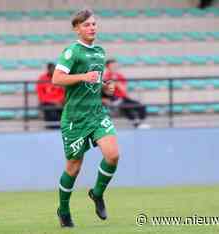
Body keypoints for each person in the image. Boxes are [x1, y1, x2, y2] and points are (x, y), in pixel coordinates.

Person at [52, 9, 119, 228]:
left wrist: (105, 88)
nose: (92, 28)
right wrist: (83, 76)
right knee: (74, 167)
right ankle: (63, 210)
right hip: (75, 119)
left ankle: (97, 193)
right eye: (87, 25)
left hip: (97, 113)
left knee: (113, 155)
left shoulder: (99, 52)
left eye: (93, 24)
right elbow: (56, 78)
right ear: (77, 29)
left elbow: (94, 83)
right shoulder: (72, 51)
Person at [103, 59, 149, 128]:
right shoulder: (106, 77)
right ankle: (136, 124)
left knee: (141, 106)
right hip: (114, 99)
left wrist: (117, 83)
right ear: (108, 66)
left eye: (115, 65)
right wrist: (112, 84)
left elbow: (124, 89)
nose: (115, 66)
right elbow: (107, 91)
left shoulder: (120, 76)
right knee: (125, 106)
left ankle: (140, 123)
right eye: (112, 65)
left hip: (123, 97)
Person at [36, 62, 65, 129]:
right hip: (48, 102)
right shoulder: (42, 78)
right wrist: (53, 102)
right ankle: (50, 128)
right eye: (52, 69)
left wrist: (60, 101)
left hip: (60, 102)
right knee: (50, 110)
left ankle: (62, 128)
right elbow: (41, 95)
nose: (53, 71)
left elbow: (63, 92)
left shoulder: (59, 78)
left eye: (54, 69)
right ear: (48, 70)